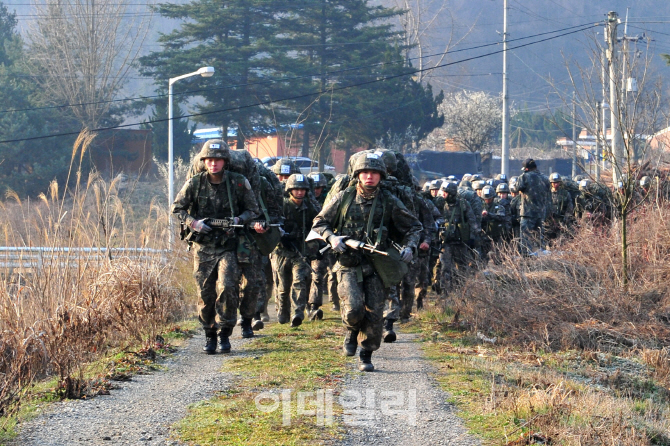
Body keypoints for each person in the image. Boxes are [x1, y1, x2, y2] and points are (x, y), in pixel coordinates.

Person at [311, 153, 421, 372]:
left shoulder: (389, 200)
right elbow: (319, 222)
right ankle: (351, 331)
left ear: (381, 176)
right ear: (358, 175)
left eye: (374, 173)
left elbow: (413, 227)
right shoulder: (344, 197)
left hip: (378, 264)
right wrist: (332, 238)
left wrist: (410, 246)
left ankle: (366, 353)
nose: (369, 177)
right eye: (365, 173)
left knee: (374, 314)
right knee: (353, 309)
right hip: (348, 262)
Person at [172, 140, 259, 354]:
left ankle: (224, 333)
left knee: (228, 288)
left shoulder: (238, 182)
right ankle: (209, 334)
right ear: (204, 162)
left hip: (229, 245)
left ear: (224, 162)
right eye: (209, 160)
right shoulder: (195, 183)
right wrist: (194, 223)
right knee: (205, 292)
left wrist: (239, 219)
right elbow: (177, 208)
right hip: (203, 247)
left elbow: (253, 210)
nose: (213, 164)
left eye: (217, 160)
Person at [272, 174, 321, 327]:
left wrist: (316, 247)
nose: (299, 192)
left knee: (299, 281)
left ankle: (298, 312)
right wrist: (282, 237)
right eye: (296, 189)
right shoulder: (282, 205)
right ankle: (282, 311)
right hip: (281, 251)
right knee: (283, 286)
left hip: (300, 251)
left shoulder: (310, 207)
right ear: (290, 190)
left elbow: (319, 224)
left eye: (302, 189)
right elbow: (273, 225)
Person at [438, 182, 477, 298]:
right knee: (445, 268)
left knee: (462, 269)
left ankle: (462, 293)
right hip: (446, 243)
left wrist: (473, 238)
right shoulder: (440, 204)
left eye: (446, 192)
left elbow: (472, 221)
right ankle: (445, 294)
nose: (443, 194)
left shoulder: (463, 204)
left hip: (460, 243)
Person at [516, 158, 550, 255]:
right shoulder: (545, 178)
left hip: (527, 213)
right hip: (541, 213)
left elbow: (517, 188)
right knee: (540, 238)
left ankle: (526, 257)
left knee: (526, 238)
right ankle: (542, 257)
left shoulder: (524, 177)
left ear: (526, 169)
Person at [545, 172, 574, 241]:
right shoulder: (547, 194)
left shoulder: (565, 193)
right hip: (549, 222)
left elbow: (569, 208)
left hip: (562, 221)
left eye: (557, 182)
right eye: (554, 182)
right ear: (551, 183)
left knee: (562, 240)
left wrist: (565, 219)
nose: (556, 184)